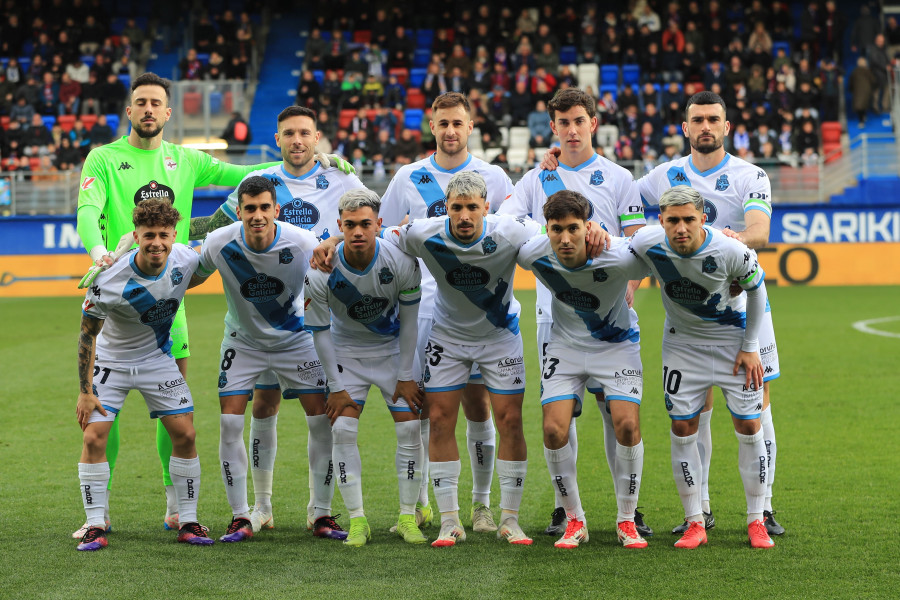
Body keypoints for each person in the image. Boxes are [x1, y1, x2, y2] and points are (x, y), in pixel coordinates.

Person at [72, 73, 345, 539]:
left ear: (168, 111)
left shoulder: (185, 159)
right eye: (141, 103)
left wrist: (313, 159)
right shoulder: (103, 158)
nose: (149, 110)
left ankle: (176, 504)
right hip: (120, 278)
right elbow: (86, 210)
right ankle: (99, 511)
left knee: (174, 408)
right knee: (102, 415)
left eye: (157, 103)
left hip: (168, 300)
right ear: (130, 109)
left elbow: (246, 178)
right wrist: (99, 252)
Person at [330, 172, 537, 547]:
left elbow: (555, 238)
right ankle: (449, 520)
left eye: (472, 208)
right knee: (439, 419)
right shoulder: (423, 232)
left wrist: (592, 232)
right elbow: (371, 232)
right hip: (448, 338)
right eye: (456, 208)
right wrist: (331, 239)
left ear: (486, 208)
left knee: (509, 419)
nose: (464, 216)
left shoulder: (511, 231)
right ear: (446, 209)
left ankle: (509, 519)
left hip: (499, 337)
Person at [209, 105, 368, 537]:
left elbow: (371, 220)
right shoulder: (257, 184)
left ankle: (320, 511)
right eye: (288, 133)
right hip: (250, 326)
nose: (297, 140)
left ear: (317, 138)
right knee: (262, 407)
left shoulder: (342, 178)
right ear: (277, 139)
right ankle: (258, 508)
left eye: (305, 133)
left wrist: (330, 241)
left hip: (306, 324)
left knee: (322, 418)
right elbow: (212, 230)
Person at [636, 92, 784, 537]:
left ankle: (765, 505)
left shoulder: (749, 174)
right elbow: (620, 200)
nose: (705, 126)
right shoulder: (663, 176)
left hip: (742, 306)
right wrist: (555, 160)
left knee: (758, 408)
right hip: (688, 314)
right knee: (692, 412)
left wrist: (728, 242)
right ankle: (698, 508)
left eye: (713, 119)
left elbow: (759, 230)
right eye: (696, 119)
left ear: (726, 126)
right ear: (685, 128)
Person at [511, 88, 652, 538]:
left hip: (609, 311)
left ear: (594, 122)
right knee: (561, 413)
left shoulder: (619, 177)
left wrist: (628, 286)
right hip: (554, 315)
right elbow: (511, 226)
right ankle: (562, 507)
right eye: (563, 123)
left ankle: (627, 508)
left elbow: (636, 240)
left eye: (579, 121)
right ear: (552, 128)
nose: (572, 130)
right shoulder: (536, 179)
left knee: (617, 413)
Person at [378, 92, 515, 535]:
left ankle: (480, 507)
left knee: (478, 406)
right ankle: (420, 504)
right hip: (421, 307)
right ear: (431, 126)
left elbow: (512, 229)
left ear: (470, 126)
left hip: (479, 307)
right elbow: (385, 237)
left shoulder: (492, 177)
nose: (450, 131)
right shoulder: (407, 177)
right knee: (425, 409)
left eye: (458, 123)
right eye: (443, 123)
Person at [188, 176, 345, 542]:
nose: (257, 216)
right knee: (230, 425)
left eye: (264, 208)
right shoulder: (219, 242)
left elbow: (336, 274)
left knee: (321, 421)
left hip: (296, 340)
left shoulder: (302, 242)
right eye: (249, 209)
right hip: (243, 342)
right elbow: (188, 276)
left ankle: (320, 513)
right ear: (238, 211)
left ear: (276, 210)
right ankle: (245, 515)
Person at [628, 186, 774, 549]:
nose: (681, 228)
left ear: (702, 219)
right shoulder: (647, 242)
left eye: (688, 219)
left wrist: (751, 347)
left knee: (749, 424)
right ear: (660, 221)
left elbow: (758, 290)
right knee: (682, 426)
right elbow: (613, 253)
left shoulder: (729, 249)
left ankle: (756, 519)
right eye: (672, 220)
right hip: (682, 347)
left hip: (731, 345)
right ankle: (695, 521)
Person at [75, 199, 213, 551]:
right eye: (148, 235)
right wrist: (85, 391)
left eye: (163, 235)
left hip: (156, 360)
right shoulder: (108, 278)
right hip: (112, 361)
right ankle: (95, 524)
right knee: (94, 438)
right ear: (136, 236)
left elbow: (214, 240)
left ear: (174, 235)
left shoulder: (185, 259)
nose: (156, 243)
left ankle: (188, 519)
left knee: (186, 433)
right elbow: (88, 334)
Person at [305, 188, 426, 546]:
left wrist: (405, 376)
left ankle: (408, 517)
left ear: (379, 225)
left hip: (393, 354)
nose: (358, 232)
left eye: (365, 224)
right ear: (339, 226)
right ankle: (357, 521)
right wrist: (335, 385)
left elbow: (410, 324)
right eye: (350, 225)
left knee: (410, 431)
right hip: (346, 356)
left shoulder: (401, 261)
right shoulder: (321, 270)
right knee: (342, 431)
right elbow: (321, 333)